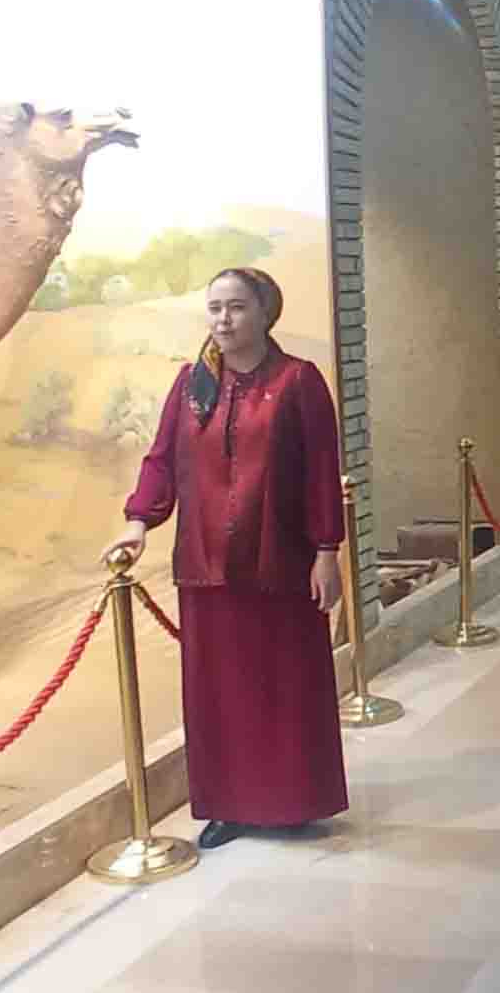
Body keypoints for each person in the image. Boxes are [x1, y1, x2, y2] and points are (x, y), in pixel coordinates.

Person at [112, 267, 347, 851]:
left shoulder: (299, 381)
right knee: (220, 692)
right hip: (206, 565)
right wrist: (139, 521)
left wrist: (326, 551)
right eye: (215, 307)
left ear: (265, 312)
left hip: (281, 563)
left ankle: (292, 801)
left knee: (285, 684)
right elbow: (162, 459)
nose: (223, 319)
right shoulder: (192, 384)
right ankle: (229, 805)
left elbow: (321, 470)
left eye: (237, 306)